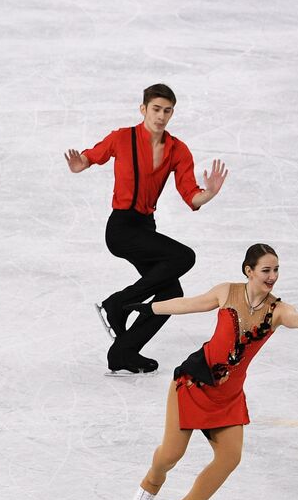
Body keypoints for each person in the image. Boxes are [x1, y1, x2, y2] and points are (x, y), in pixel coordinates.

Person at [127, 244, 298, 500]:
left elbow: (296, 317)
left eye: (276, 270)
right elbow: (187, 304)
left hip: (227, 396)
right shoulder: (226, 292)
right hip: (194, 382)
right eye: (266, 270)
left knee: (230, 457)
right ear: (249, 271)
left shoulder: (276, 310)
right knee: (171, 454)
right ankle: (152, 481)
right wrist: (150, 308)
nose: (272, 276)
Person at [64, 83, 228, 375]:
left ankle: (123, 352)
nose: (161, 116)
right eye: (156, 109)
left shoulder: (178, 150)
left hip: (145, 228)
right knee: (184, 257)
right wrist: (81, 164)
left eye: (167, 111)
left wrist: (209, 193)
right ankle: (118, 303)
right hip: (121, 227)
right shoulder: (122, 138)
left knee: (170, 296)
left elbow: (190, 194)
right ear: (143, 109)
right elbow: (93, 155)